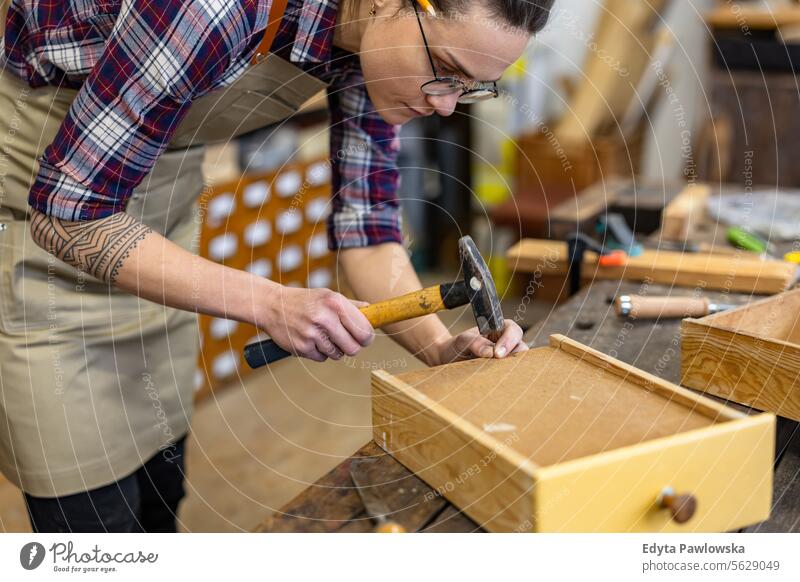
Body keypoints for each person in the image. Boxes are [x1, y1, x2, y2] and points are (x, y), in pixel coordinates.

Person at [0, 0, 554, 532]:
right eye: (446, 71)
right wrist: (268, 302)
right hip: (42, 231)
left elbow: (367, 229)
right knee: (96, 523)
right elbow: (67, 213)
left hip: (154, 234)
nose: (445, 106)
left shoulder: (369, 37)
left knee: (160, 492)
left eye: (468, 87)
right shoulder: (209, 9)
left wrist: (440, 350)